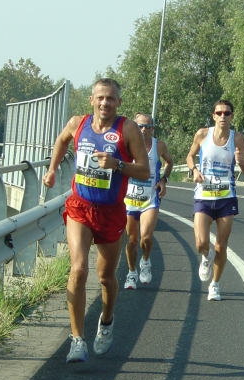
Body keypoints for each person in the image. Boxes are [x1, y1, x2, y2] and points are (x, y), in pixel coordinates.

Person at [42, 78, 150, 363]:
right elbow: (62, 139)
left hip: (112, 212)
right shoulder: (78, 123)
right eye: (100, 97)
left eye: (111, 98)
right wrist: (53, 170)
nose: (105, 103)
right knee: (78, 269)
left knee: (105, 277)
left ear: (118, 103)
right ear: (91, 100)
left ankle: (107, 320)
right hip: (80, 206)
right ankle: (77, 339)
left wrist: (118, 165)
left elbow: (144, 171)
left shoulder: (127, 129)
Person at [186, 99, 244, 301]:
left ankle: (215, 284)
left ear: (232, 116)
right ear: (213, 115)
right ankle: (205, 258)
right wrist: (194, 170)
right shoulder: (202, 134)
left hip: (226, 197)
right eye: (219, 113)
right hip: (204, 196)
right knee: (201, 242)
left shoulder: (238, 139)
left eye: (227, 113)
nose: (223, 116)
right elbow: (190, 156)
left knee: (221, 245)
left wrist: (241, 163)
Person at [124, 112, 173, 289]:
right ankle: (131, 273)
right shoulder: (126, 144)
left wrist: (163, 180)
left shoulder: (158, 145)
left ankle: (145, 261)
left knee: (145, 237)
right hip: (129, 199)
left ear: (152, 129)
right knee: (131, 241)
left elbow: (169, 162)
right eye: (140, 126)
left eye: (147, 126)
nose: (144, 130)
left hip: (149, 199)